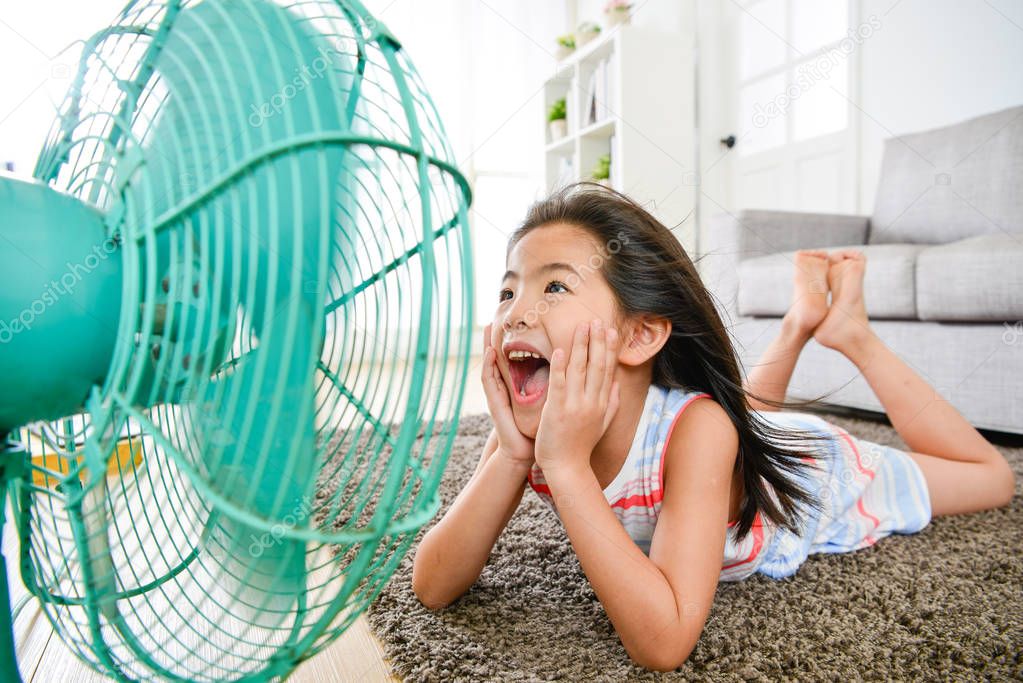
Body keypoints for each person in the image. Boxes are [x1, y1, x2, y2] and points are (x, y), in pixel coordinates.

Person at [410, 183, 1016, 672]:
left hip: (818, 472)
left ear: (640, 335)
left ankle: (849, 334)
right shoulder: (528, 429)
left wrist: (566, 469)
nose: (517, 312)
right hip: (732, 446)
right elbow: (433, 586)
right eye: (507, 290)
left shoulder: (698, 431)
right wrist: (515, 458)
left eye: (555, 286)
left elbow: (665, 644)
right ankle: (799, 321)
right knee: (742, 419)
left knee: (992, 479)